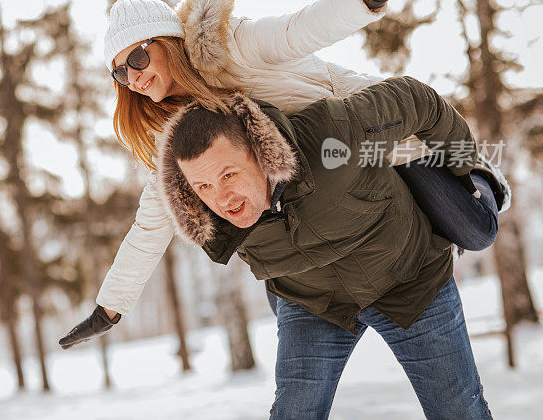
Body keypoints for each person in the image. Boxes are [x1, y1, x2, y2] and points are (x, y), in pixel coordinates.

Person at [58, 0, 509, 349]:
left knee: (476, 230)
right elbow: (152, 223)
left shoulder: (228, 45)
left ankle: (482, 180)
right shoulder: (174, 135)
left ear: (169, 42)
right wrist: (109, 308)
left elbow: (299, 29)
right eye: (120, 71)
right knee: (290, 293)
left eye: (138, 56)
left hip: (369, 140)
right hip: (319, 191)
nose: (133, 76)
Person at [156, 77, 492, 419]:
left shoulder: (333, 136)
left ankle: (487, 181)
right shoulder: (212, 221)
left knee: (458, 409)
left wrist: (463, 179)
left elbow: (419, 100)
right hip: (313, 303)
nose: (221, 199)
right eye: (203, 185)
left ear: (258, 151)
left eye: (228, 175)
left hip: (410, 278)